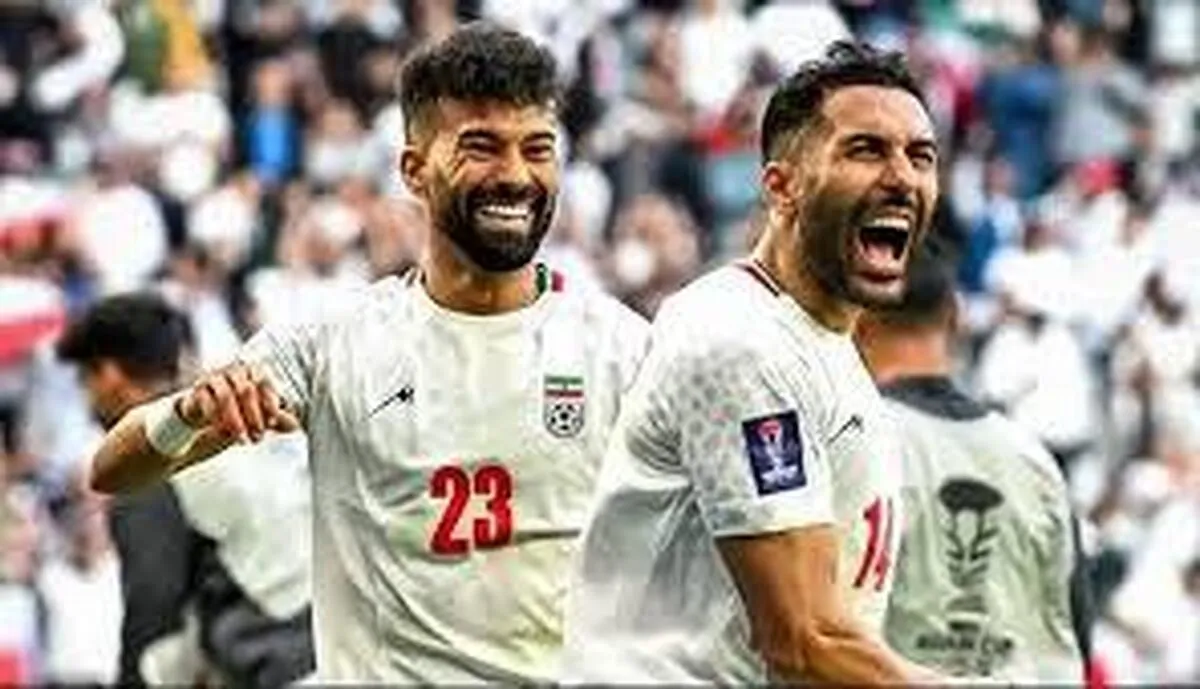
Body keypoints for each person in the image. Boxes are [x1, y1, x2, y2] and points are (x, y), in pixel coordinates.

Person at [84, 23, 649, 683]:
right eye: (482, 147)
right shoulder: (335, 342)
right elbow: (114, 468)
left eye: (537, 149)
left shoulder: (621, 349)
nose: (515, 175)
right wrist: (188, 413)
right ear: (414, 169)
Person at [561, 40, 947, 684]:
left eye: (921, 156)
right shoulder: (740, 342)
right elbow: (802, 641)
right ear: (781, 186)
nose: (903, 177)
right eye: (865, 150)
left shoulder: (820, 345)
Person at [854, 245, 1091, 681]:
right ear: (955, 316)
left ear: (856, 321)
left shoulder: (853, 446)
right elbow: (1076, 630)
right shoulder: (1033, 460)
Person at [57, 293, 314, 688]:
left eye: (84, 380)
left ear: (109, 374)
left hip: (280, 659)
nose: (86, 397)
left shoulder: (147, 467)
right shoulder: (235, 424)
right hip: (341, 635)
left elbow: (153, 613)